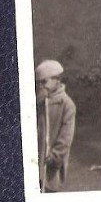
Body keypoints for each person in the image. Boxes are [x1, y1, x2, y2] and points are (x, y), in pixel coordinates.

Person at [35, 59, 76, 192]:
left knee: (49, 191)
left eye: (44, 82)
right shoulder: (40, 101)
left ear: (57, 80)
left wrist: (54, 156)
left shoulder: (66, 104)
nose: (41, 86)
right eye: (39, 82)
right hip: (37, 159)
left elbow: (66, 137)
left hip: (52, 162)